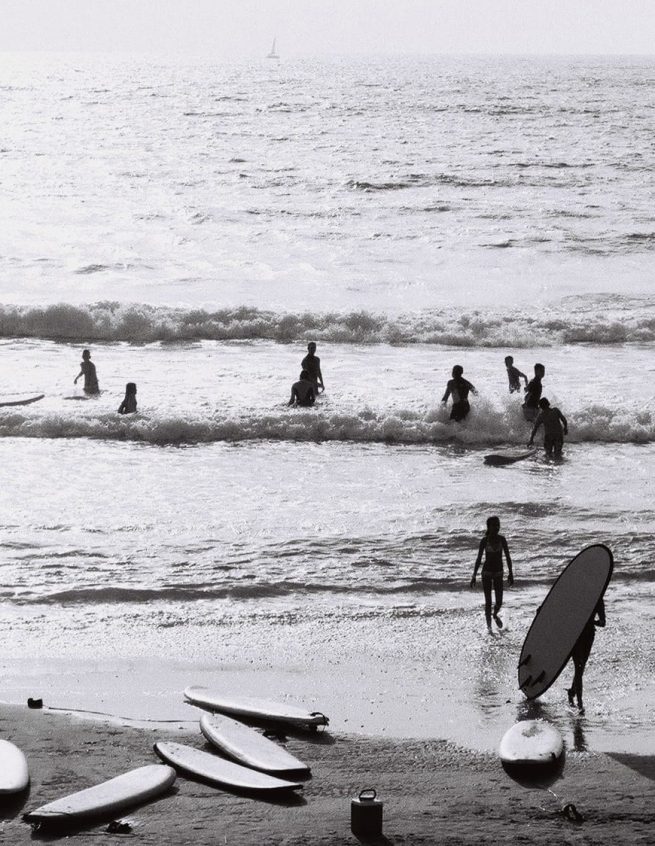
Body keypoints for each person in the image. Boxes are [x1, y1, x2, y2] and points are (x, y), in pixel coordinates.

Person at [471, 516, 514, 633]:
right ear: (488, 527)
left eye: (498, 525)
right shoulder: (484, 541)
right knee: (488, 602)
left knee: (499, 602)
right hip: (486, 573)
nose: (496, 527)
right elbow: (479, 559)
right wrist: (474, 575)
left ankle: (495, 615)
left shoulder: (502, 540)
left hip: (499, 573)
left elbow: (508, 557)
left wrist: (511, 573)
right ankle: (489, 629)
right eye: (494, 525)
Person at [567, 598, 605, 712]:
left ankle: (572, 692)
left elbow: (603, 623)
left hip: (579, 634)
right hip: (582, 635)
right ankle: (580, 703)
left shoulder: (577, 595)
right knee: (579, 667)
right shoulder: (598, 599)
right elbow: (602, 622)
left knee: (580, 667)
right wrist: (591, 621)